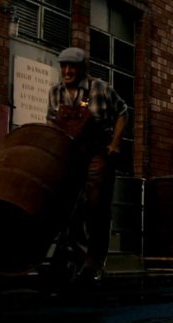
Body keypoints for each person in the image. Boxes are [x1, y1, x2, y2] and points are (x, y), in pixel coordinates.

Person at [46, 47, 129, 280]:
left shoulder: (99, 89)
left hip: (97, 152)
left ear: (83, 69)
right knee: (69, 204)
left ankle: (95, 260)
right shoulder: (55, 93)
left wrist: (115, 143)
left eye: (72, 66)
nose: (67, 71)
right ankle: (72, 254)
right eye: (64, 66)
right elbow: (51, 123)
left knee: (95, 204)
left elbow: (123, 112)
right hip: (70, 153)